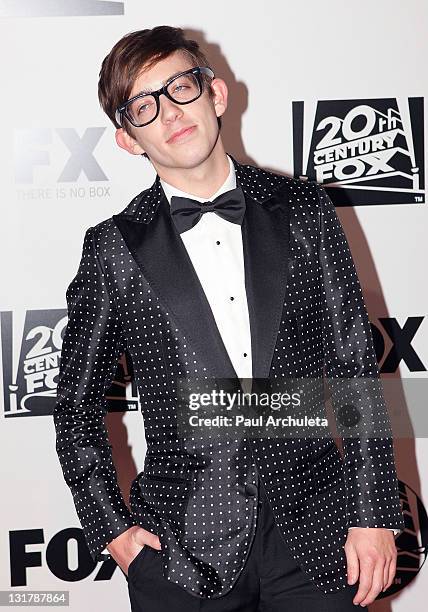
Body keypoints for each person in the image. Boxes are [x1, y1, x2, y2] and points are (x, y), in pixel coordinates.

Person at [53, 25, 405, 611]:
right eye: (144, 105)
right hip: (181, 552)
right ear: (127, 139)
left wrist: (372, 514)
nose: (169, 113)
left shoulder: (305, 210)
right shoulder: (113, 248)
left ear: (215, 94)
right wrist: (111, 531)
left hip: (319, 535)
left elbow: (353, 369)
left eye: (179, 87)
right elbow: (78, 404)